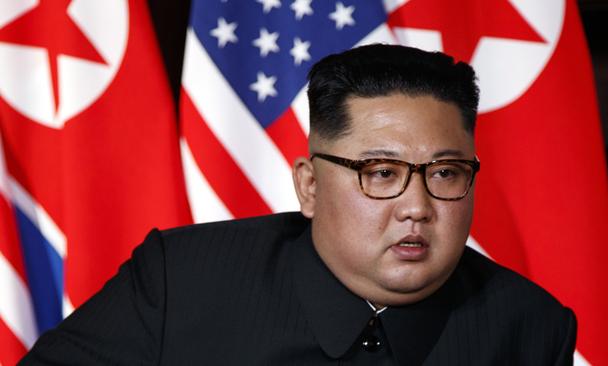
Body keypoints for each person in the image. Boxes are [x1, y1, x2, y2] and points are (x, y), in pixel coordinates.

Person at [20, 44, 576, 365]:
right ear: (309, 186)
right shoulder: (179, 282)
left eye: (446, 173)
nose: (417, 207)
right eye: (381, 173)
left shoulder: (531, 328)